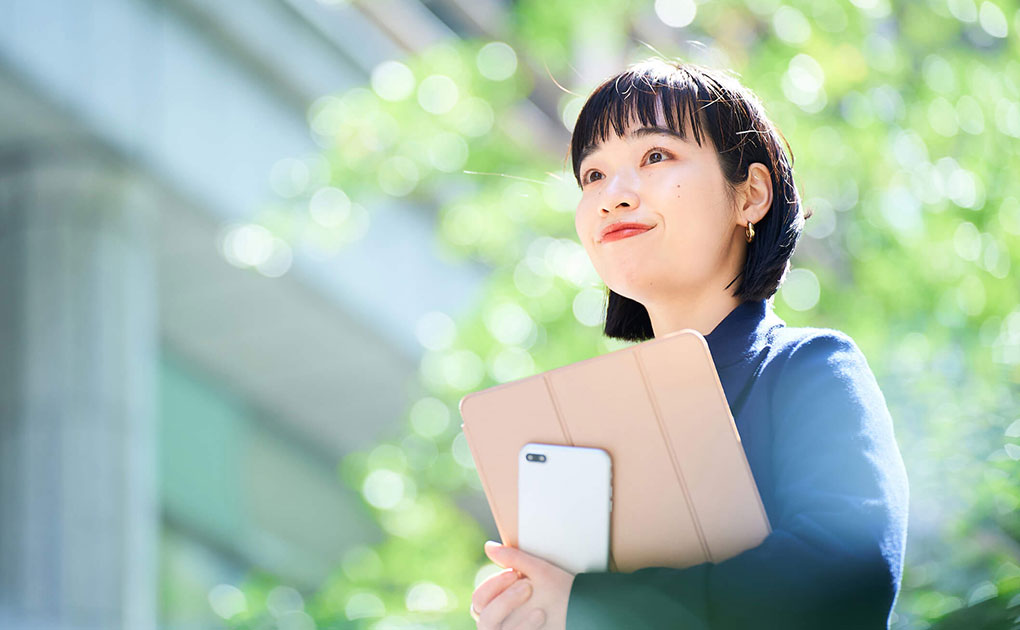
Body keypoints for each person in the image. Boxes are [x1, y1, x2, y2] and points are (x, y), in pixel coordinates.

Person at [468, 58, 909, 630]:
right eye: (593, 175)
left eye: (655, 156)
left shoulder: (810, 369)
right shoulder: (582, 432)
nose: (612, 196)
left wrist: (594, 605)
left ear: (750, 194)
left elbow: (849, 571)